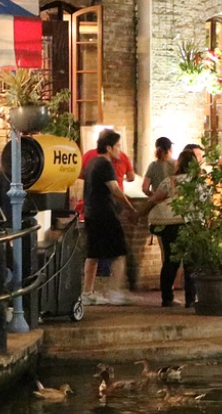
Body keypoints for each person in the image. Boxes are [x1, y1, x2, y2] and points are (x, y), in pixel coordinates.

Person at [81, 130, 136, 306]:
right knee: (120, 252)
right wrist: (130, 208)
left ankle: (87, 292)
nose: (120, 150)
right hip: (105, 214)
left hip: (91, 213)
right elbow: (115, 189)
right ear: (109, 147)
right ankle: (115, 292)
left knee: (93, 254)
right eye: (118, 146)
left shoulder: (91, 163)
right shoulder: (105, 165)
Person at [142, 148, 198, 307]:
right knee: (191, 263)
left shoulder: (170, 182)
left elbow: (154, 199)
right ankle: (190, 299)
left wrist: (139, 214)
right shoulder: (199, 183)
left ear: (179, 164)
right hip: (192, 225)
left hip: (170, 225)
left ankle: (167, 297)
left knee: (170, 261)